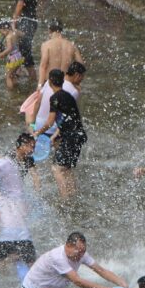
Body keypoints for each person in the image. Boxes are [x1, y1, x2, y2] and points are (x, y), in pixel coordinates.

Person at [33, 69, 87, 198]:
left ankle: (65, 200)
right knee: (67, 168)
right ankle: (73, 196)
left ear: (50, 81)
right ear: (62, 81)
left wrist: (37, 133)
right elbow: (69, 118)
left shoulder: (55, 98)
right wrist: (56, 135)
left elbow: (50, 122)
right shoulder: (68, 96)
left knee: (56, 169)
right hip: (78, 135)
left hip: (71, 137)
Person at [0, 178, 35, 285]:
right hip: (25, 237)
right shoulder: (11, 200)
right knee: (31, 265)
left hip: (7, 237)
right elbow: (24, 214)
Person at [3, 0, 38, 81]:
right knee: (18, 48)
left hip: (30, 22)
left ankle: (21, 74)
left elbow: (20, 4)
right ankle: (20, 72)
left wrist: (14, 21)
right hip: (24, 22)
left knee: (24, 50)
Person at [35, 19, 84, 88]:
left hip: (51, 83)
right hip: (66, 83)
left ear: (49, 30)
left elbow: (43, 66)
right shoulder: (71, 45)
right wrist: (76, 83)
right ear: (61, 30)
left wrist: (39, 85)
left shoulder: (46, 45)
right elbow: (81, 66)